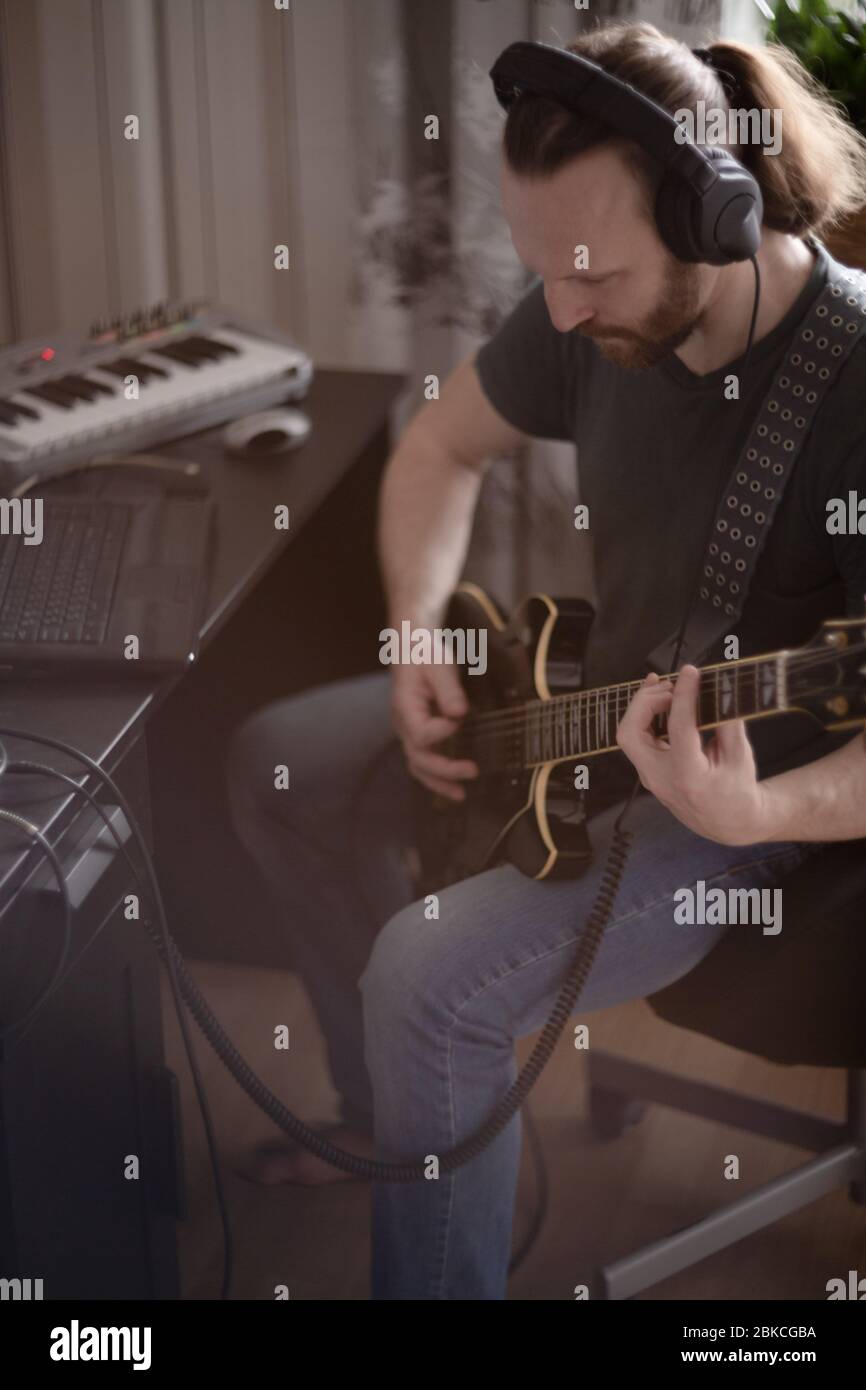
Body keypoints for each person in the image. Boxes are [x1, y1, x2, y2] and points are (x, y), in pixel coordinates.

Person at [227, 23, 866, 1299]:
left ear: (712, 218)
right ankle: (405, 1126)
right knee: (276, 765)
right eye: (542, 272)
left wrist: (759, 807)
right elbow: (435, 450)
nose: (561, 312)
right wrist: (417, 633)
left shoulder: (848, 384)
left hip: (757, 799)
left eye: (592, 276)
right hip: (588, 715)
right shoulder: (579, 301)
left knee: (426, 977)